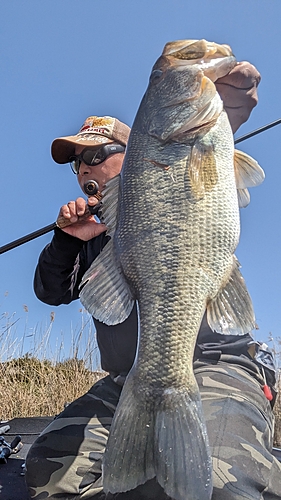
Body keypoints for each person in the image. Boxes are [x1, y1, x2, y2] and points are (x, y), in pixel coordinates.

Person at [25, 62, 281, 500]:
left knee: (224, 480)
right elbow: (51, 292)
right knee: (50, 466)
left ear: (138, 148)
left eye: (95, 155)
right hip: (132, 376)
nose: (84, 169)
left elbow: (217, 127)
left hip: (221, 363)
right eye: (76, 164)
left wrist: (224, 105)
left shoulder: (185, 168)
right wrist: (67, 242)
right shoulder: (98, 231)